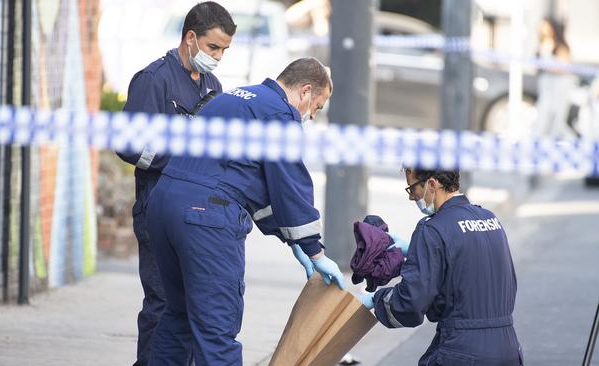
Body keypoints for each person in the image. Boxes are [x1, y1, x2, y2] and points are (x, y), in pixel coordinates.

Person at [146, 57, 345, 365]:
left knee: (179, 316)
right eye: (317, 107)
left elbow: (253, 188)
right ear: (305, 91)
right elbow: (290, 185)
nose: (312, 116)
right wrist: (314, 251)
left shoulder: (237, 97)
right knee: (217, 330)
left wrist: (293, 240)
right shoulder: (280, 114)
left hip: (164, 204)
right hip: (205, 217)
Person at [116, 3, 236, 365]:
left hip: (197, 216)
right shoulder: (154, 80)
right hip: (157, 207)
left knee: (192, 304)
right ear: (190, 38)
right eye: (213, 48)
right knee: (163, 301)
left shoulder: (213, 84)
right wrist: (181, 159)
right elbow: (128, 144)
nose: (218, 57)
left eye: (224, 51)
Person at [359, 168, 523, 365]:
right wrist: (416, 252)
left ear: (432, 184)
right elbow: (468, 266)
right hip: (508, 348)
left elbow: (410, 302)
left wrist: (375, 300)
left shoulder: (432, 229)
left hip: (462, 351)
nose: (412, 198)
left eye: (412, 189)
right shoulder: (489, 218)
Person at [534, 16, 576, 138]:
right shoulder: (543, 44)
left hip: (559, 86)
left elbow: (564, 67)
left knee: (557, 120)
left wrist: (547, 67)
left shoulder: (560, 46)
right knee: (543, 117)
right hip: (546, 86)